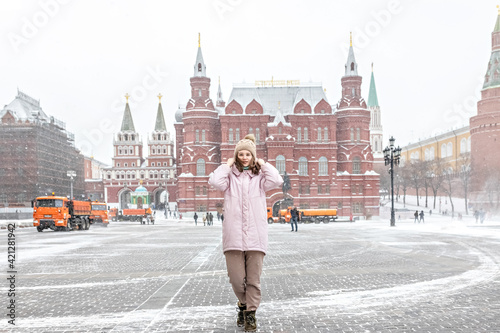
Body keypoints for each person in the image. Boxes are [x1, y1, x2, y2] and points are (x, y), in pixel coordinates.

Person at [208, 134, 283, 332]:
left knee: (253, 280)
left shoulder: (260, 179)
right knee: (235, 278)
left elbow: (276, 179)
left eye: (247, 154)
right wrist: (227, 164)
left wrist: (262, 163)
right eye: (240, 154)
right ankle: (242, 303)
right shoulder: (229, 178)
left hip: (256, 235)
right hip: (233, 235)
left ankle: (250, 314)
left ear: (253, 156)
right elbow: (215, 181)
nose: (244, 157)